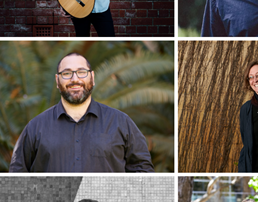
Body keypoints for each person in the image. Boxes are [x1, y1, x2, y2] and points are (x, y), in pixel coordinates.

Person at [9, 52, 154, 172]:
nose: (75, 79)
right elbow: (17, 176)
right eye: (66, 73)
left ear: (92, 77)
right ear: (57, 80)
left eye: (81, 72)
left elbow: (143, 171)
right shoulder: (35, 127)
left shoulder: (121, 122)